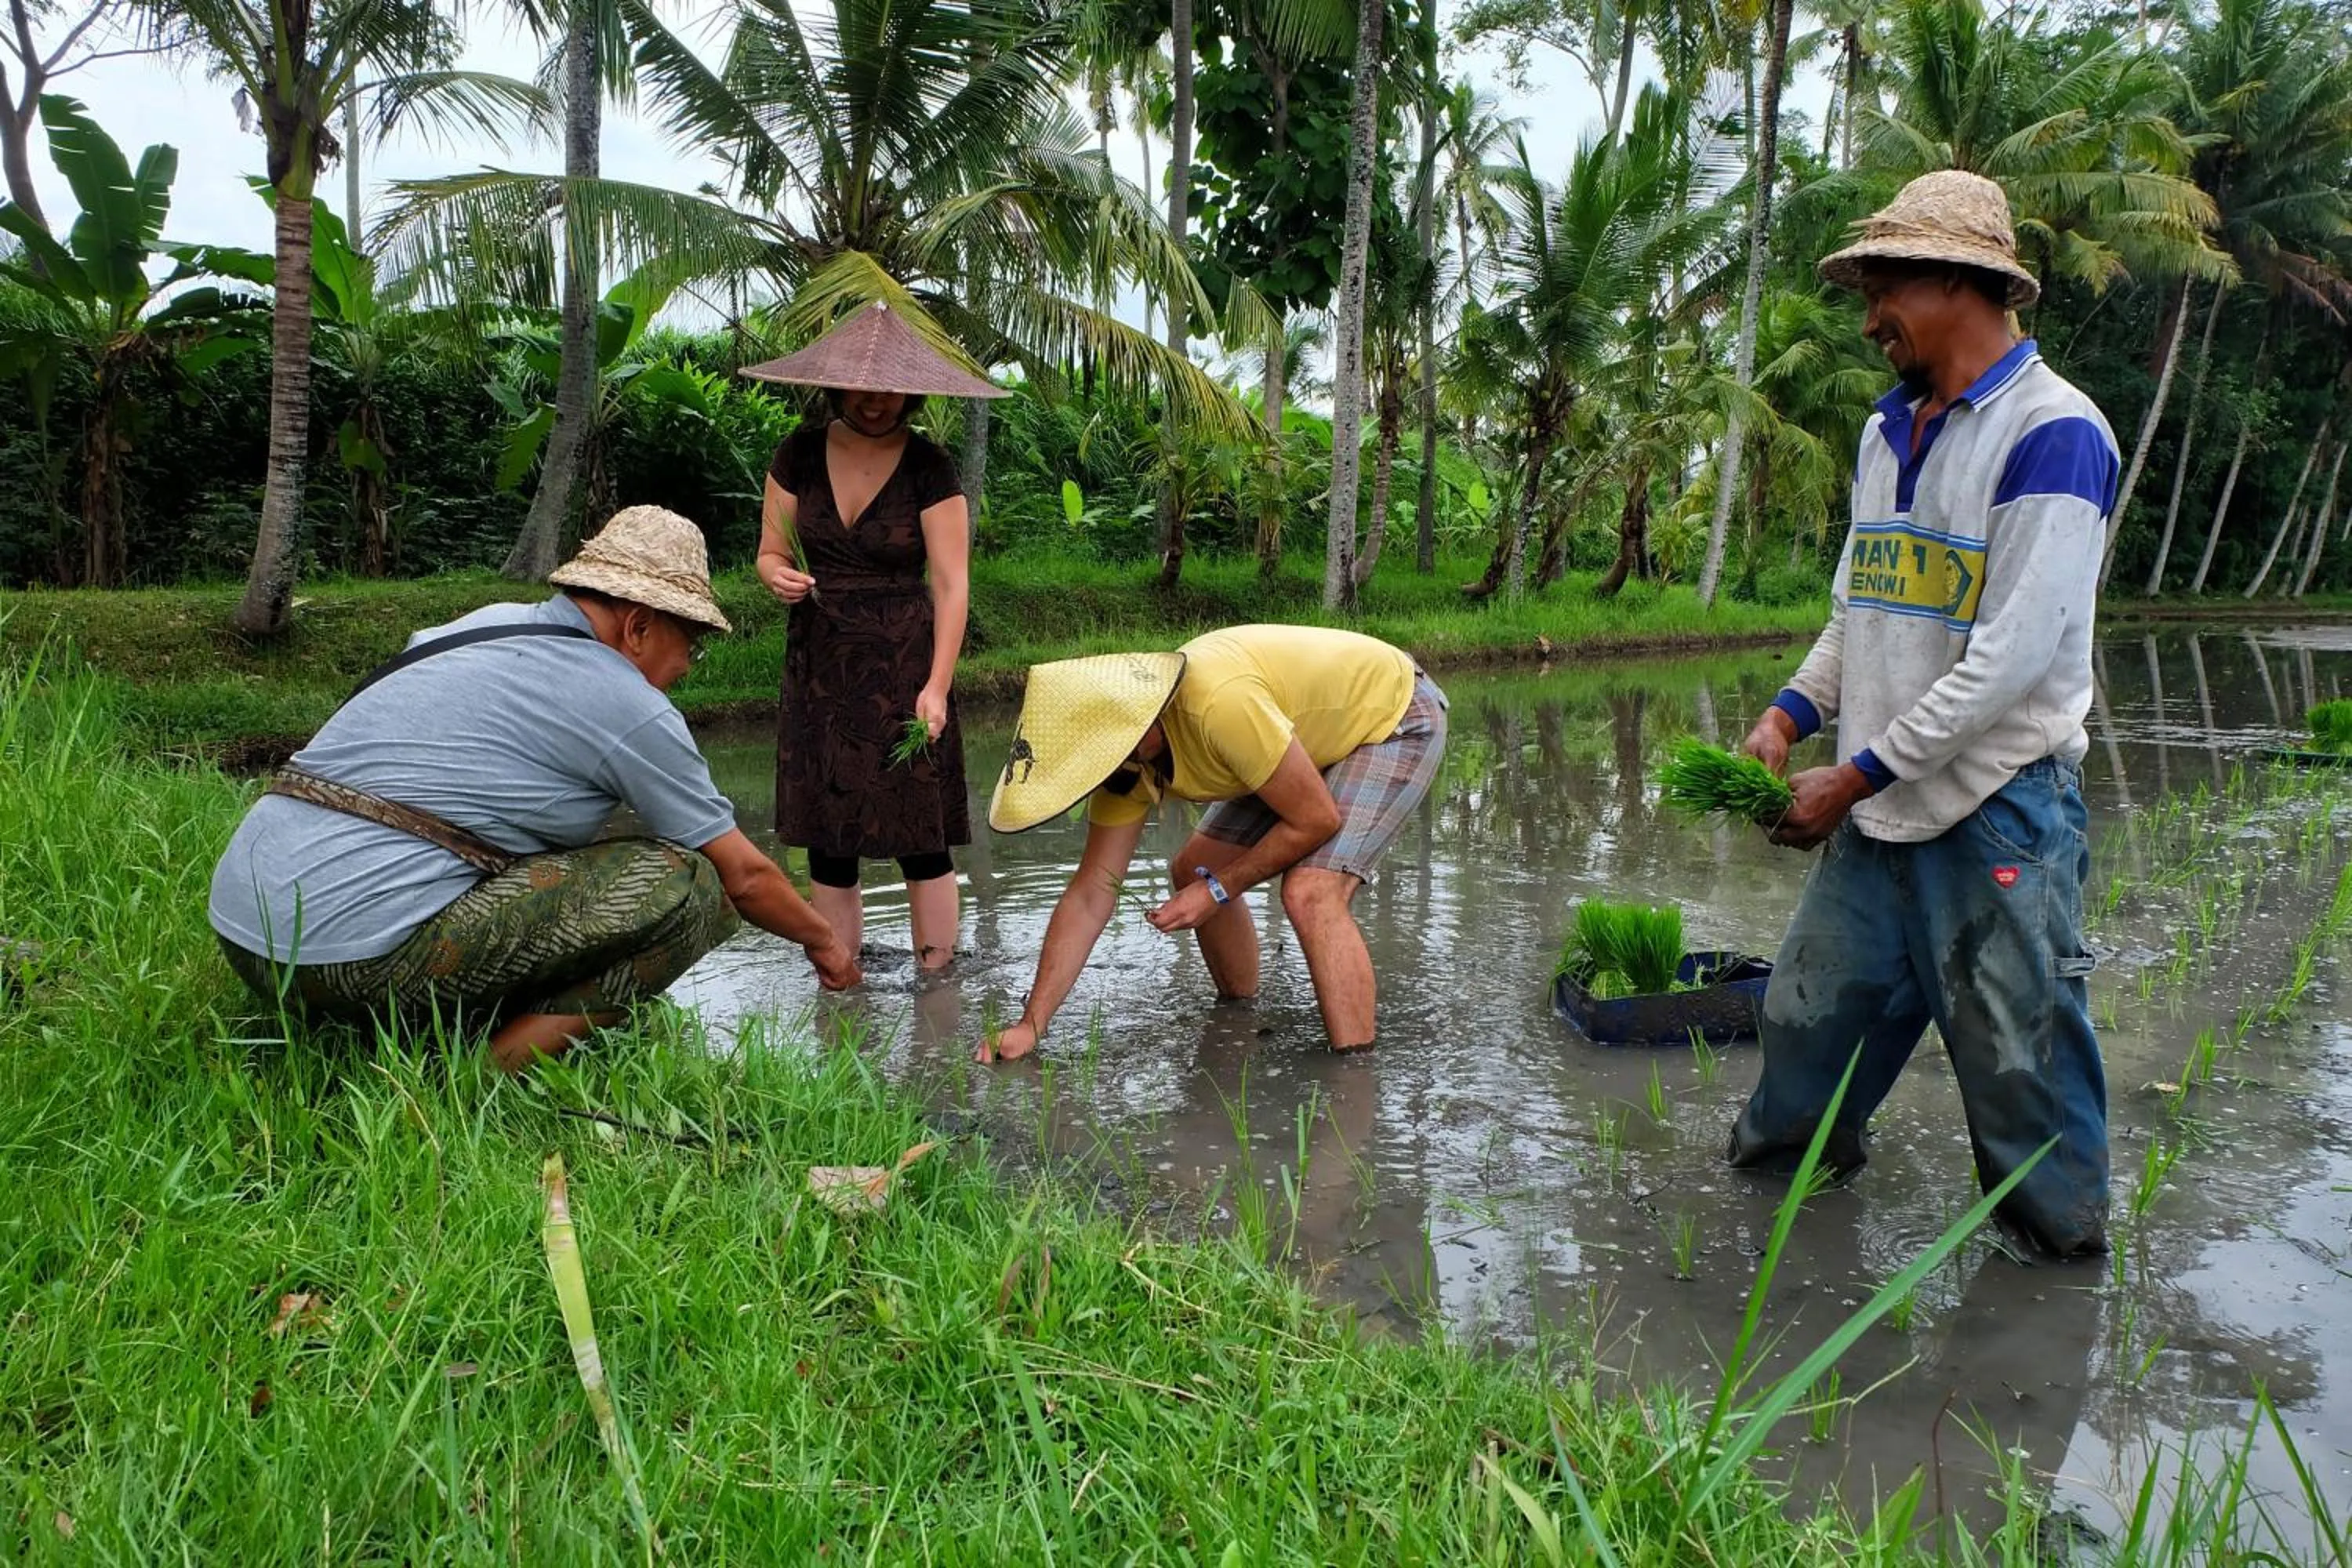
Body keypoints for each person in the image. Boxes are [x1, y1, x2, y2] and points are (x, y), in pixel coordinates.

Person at [1722, 170, 2119, 1258]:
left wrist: (1851, 776)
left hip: (1998, 811)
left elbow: (2009, 661)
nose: (1869, 315)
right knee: (1803, 1027)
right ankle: (1762, 1246)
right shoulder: (1886, 429)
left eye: (1886, 281)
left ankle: (2057, 1282)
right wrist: (1790, 713)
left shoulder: (2055, 434)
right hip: (1881, 806)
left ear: (1961, 279)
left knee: (2019, 1070)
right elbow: (1864, 606)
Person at [209, 506, 860, 1073]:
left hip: (248, 935)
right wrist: (827, 945)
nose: (688, 664)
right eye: (689, 640)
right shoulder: (625, 700)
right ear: (637, 627)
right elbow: (745, 876)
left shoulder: (478, 625)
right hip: (344, 964)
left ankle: (437, 1030)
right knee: (691, 887)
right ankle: (485, 1077)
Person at [978, 626, 1448, 1061]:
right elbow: (1089, 894)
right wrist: (1031, 1025)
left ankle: (1353, 1075)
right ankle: (1241, 1011)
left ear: (1141, 720)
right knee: (1194, 869)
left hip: (1392, 715)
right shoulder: (1127, 767)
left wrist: (1219, 890)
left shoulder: (1216, 707)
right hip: (1298, 736)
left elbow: (1316, 821)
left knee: (1310, 890)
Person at [741, 302, 1002, 971]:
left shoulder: (929, 466)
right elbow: (770, 552)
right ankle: (841, 977)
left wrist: (938, 687)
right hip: (820, 664)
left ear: (911, 391)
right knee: (829, 840)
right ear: (835, 382)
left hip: (905, 662)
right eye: (863, 387)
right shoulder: (797, 453)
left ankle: (937, 981)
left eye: (891, 389)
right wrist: (778, 576)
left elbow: (950, 585)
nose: (877, 401)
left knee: (922, 834)